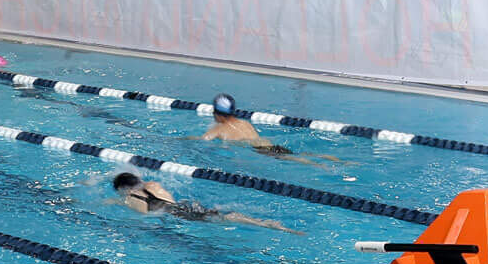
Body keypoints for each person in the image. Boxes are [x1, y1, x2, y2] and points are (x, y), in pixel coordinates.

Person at [110, 172, 294, 232]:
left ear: (124, 189)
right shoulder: (153, 185)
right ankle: (263, 222)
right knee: (220, 215)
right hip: (184, 205)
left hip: (177, 215)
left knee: (224, 220)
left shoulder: (127, 200)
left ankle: (267, 225)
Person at [199, 93, 328, 161]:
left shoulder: (219, 129)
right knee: (300, 155)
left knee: (296, 159)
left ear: (219, 114)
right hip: (269, 145)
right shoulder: (244, 122)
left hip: (261, 150)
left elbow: (201, 140)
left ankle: (322, 166)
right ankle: (330, 159)